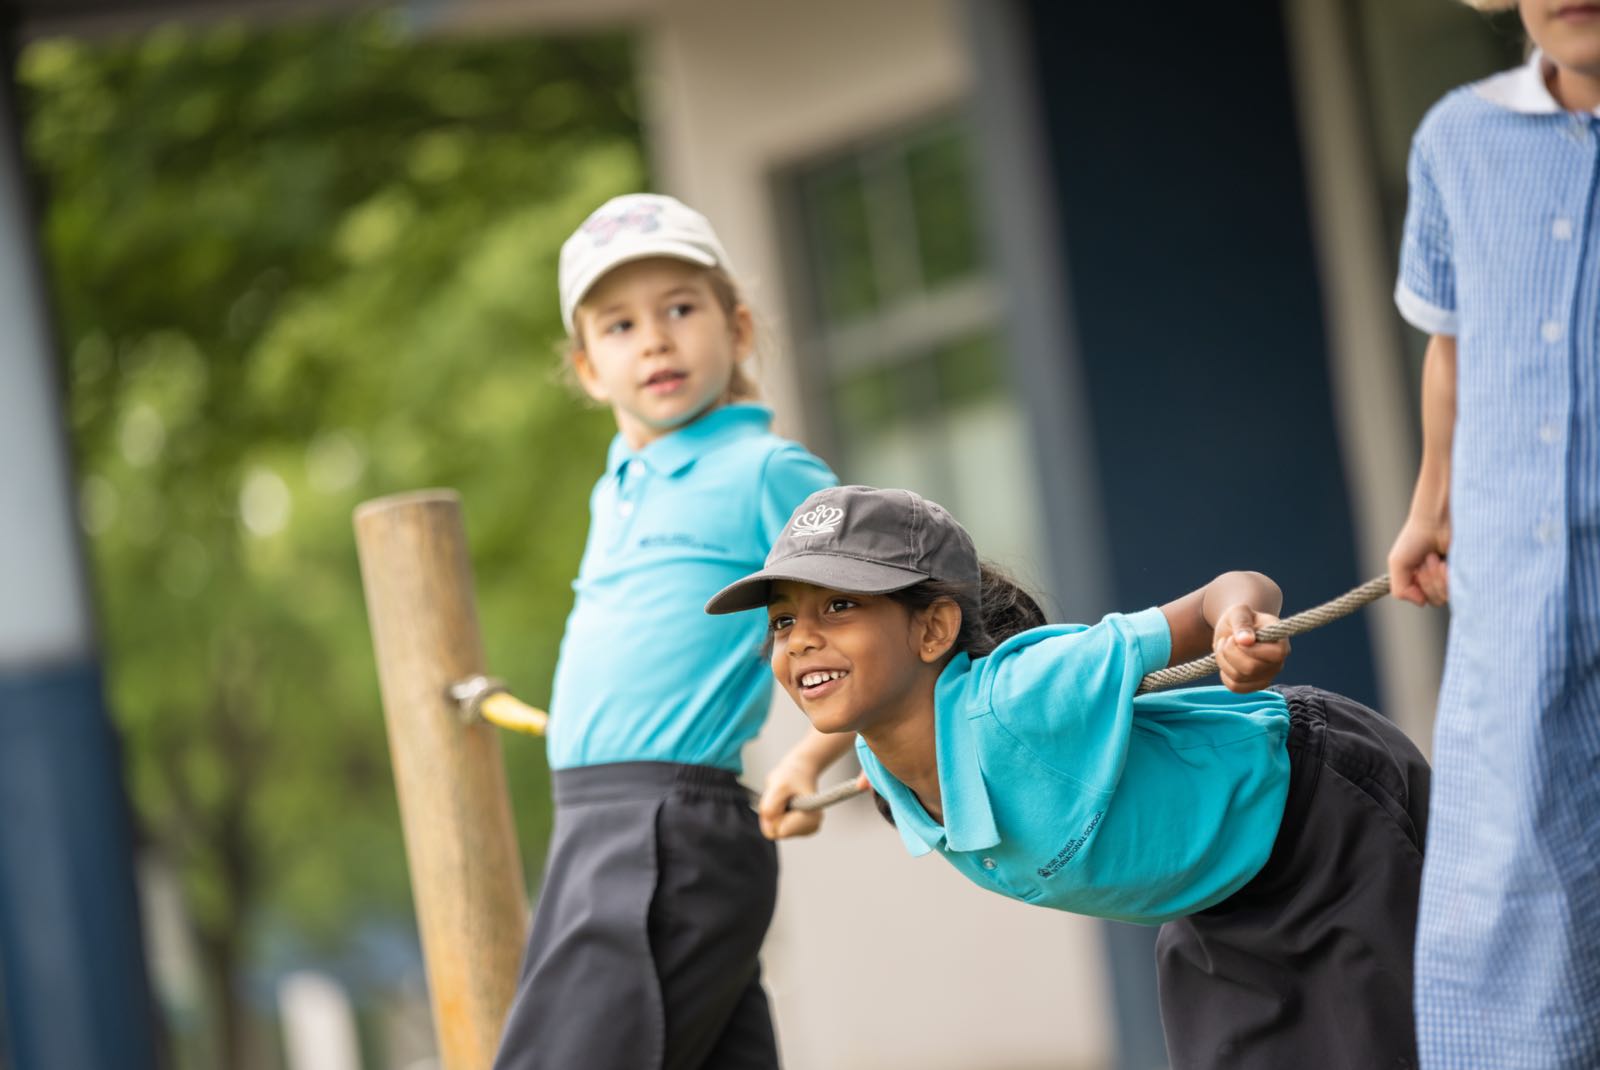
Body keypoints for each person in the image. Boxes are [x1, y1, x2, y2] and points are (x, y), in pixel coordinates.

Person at [708, 485, 1429, 1070]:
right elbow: (851, 721)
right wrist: (800, 765)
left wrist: (1240, 625)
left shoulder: (1024, 695)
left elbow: (1232, 588)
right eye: (781, 621)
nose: (801, 637)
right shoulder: (888, 753)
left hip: (1323, 812)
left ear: (932, 631)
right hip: (1217, 899)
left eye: (839, 606)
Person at [493, 193, 836, 1070]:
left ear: (739, 326)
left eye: (680, 309)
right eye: (619, 325)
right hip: (591, 823)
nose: (654, 339)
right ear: (588, 369)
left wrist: (811, 756)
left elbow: (885, 613)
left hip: (670, 827)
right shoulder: (619, 483)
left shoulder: (764, 468)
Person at [1384, 3, 1600, 1066]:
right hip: (1518, 593)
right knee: (1514, 909)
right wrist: (1432, 505)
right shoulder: (1454, 142)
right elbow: (1451, 345)